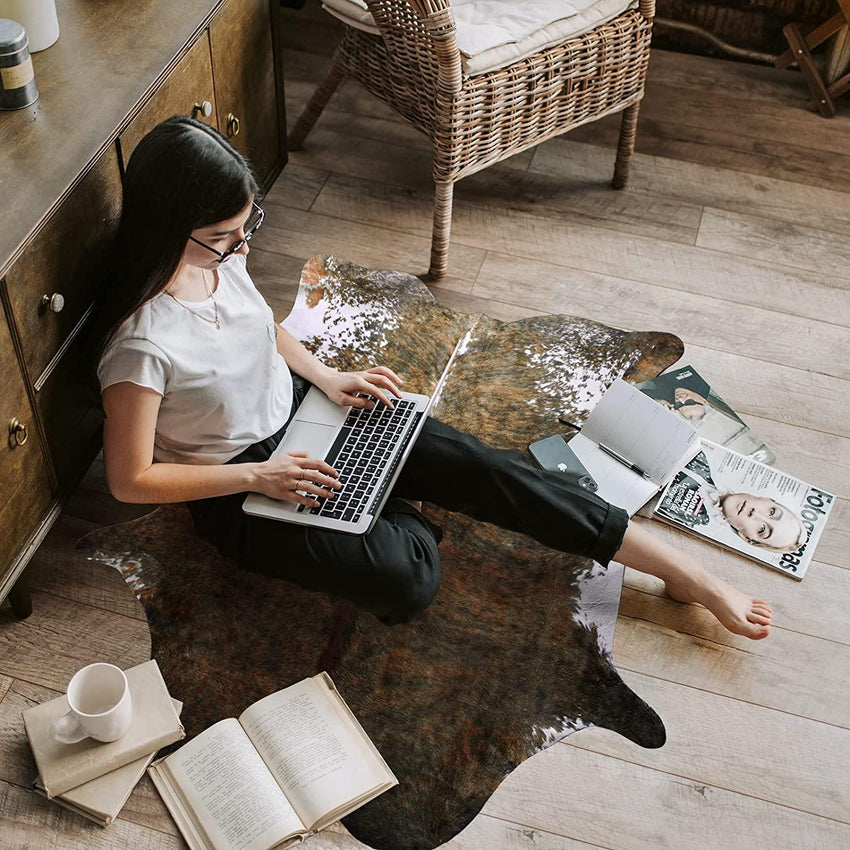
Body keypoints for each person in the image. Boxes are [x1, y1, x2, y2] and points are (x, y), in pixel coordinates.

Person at [90, 116, 774, 640]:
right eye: (227, 234)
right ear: (173, 224)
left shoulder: (216, 258)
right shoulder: (141, 345)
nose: (244, 246)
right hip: (237, 482)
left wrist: (328, 376)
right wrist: (256, 478)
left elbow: (258, 327)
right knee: (408, 580)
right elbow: (130, 479)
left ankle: (689, 575)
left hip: (303, 410)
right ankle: (383, 500)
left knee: (500, 473)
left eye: (248, 227)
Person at [656, 451, 807, 554]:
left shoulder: (692, 520)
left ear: (747, 539)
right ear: (768, 500)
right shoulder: (710, 461)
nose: (755, 514)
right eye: (772, 512)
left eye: (762, 529)